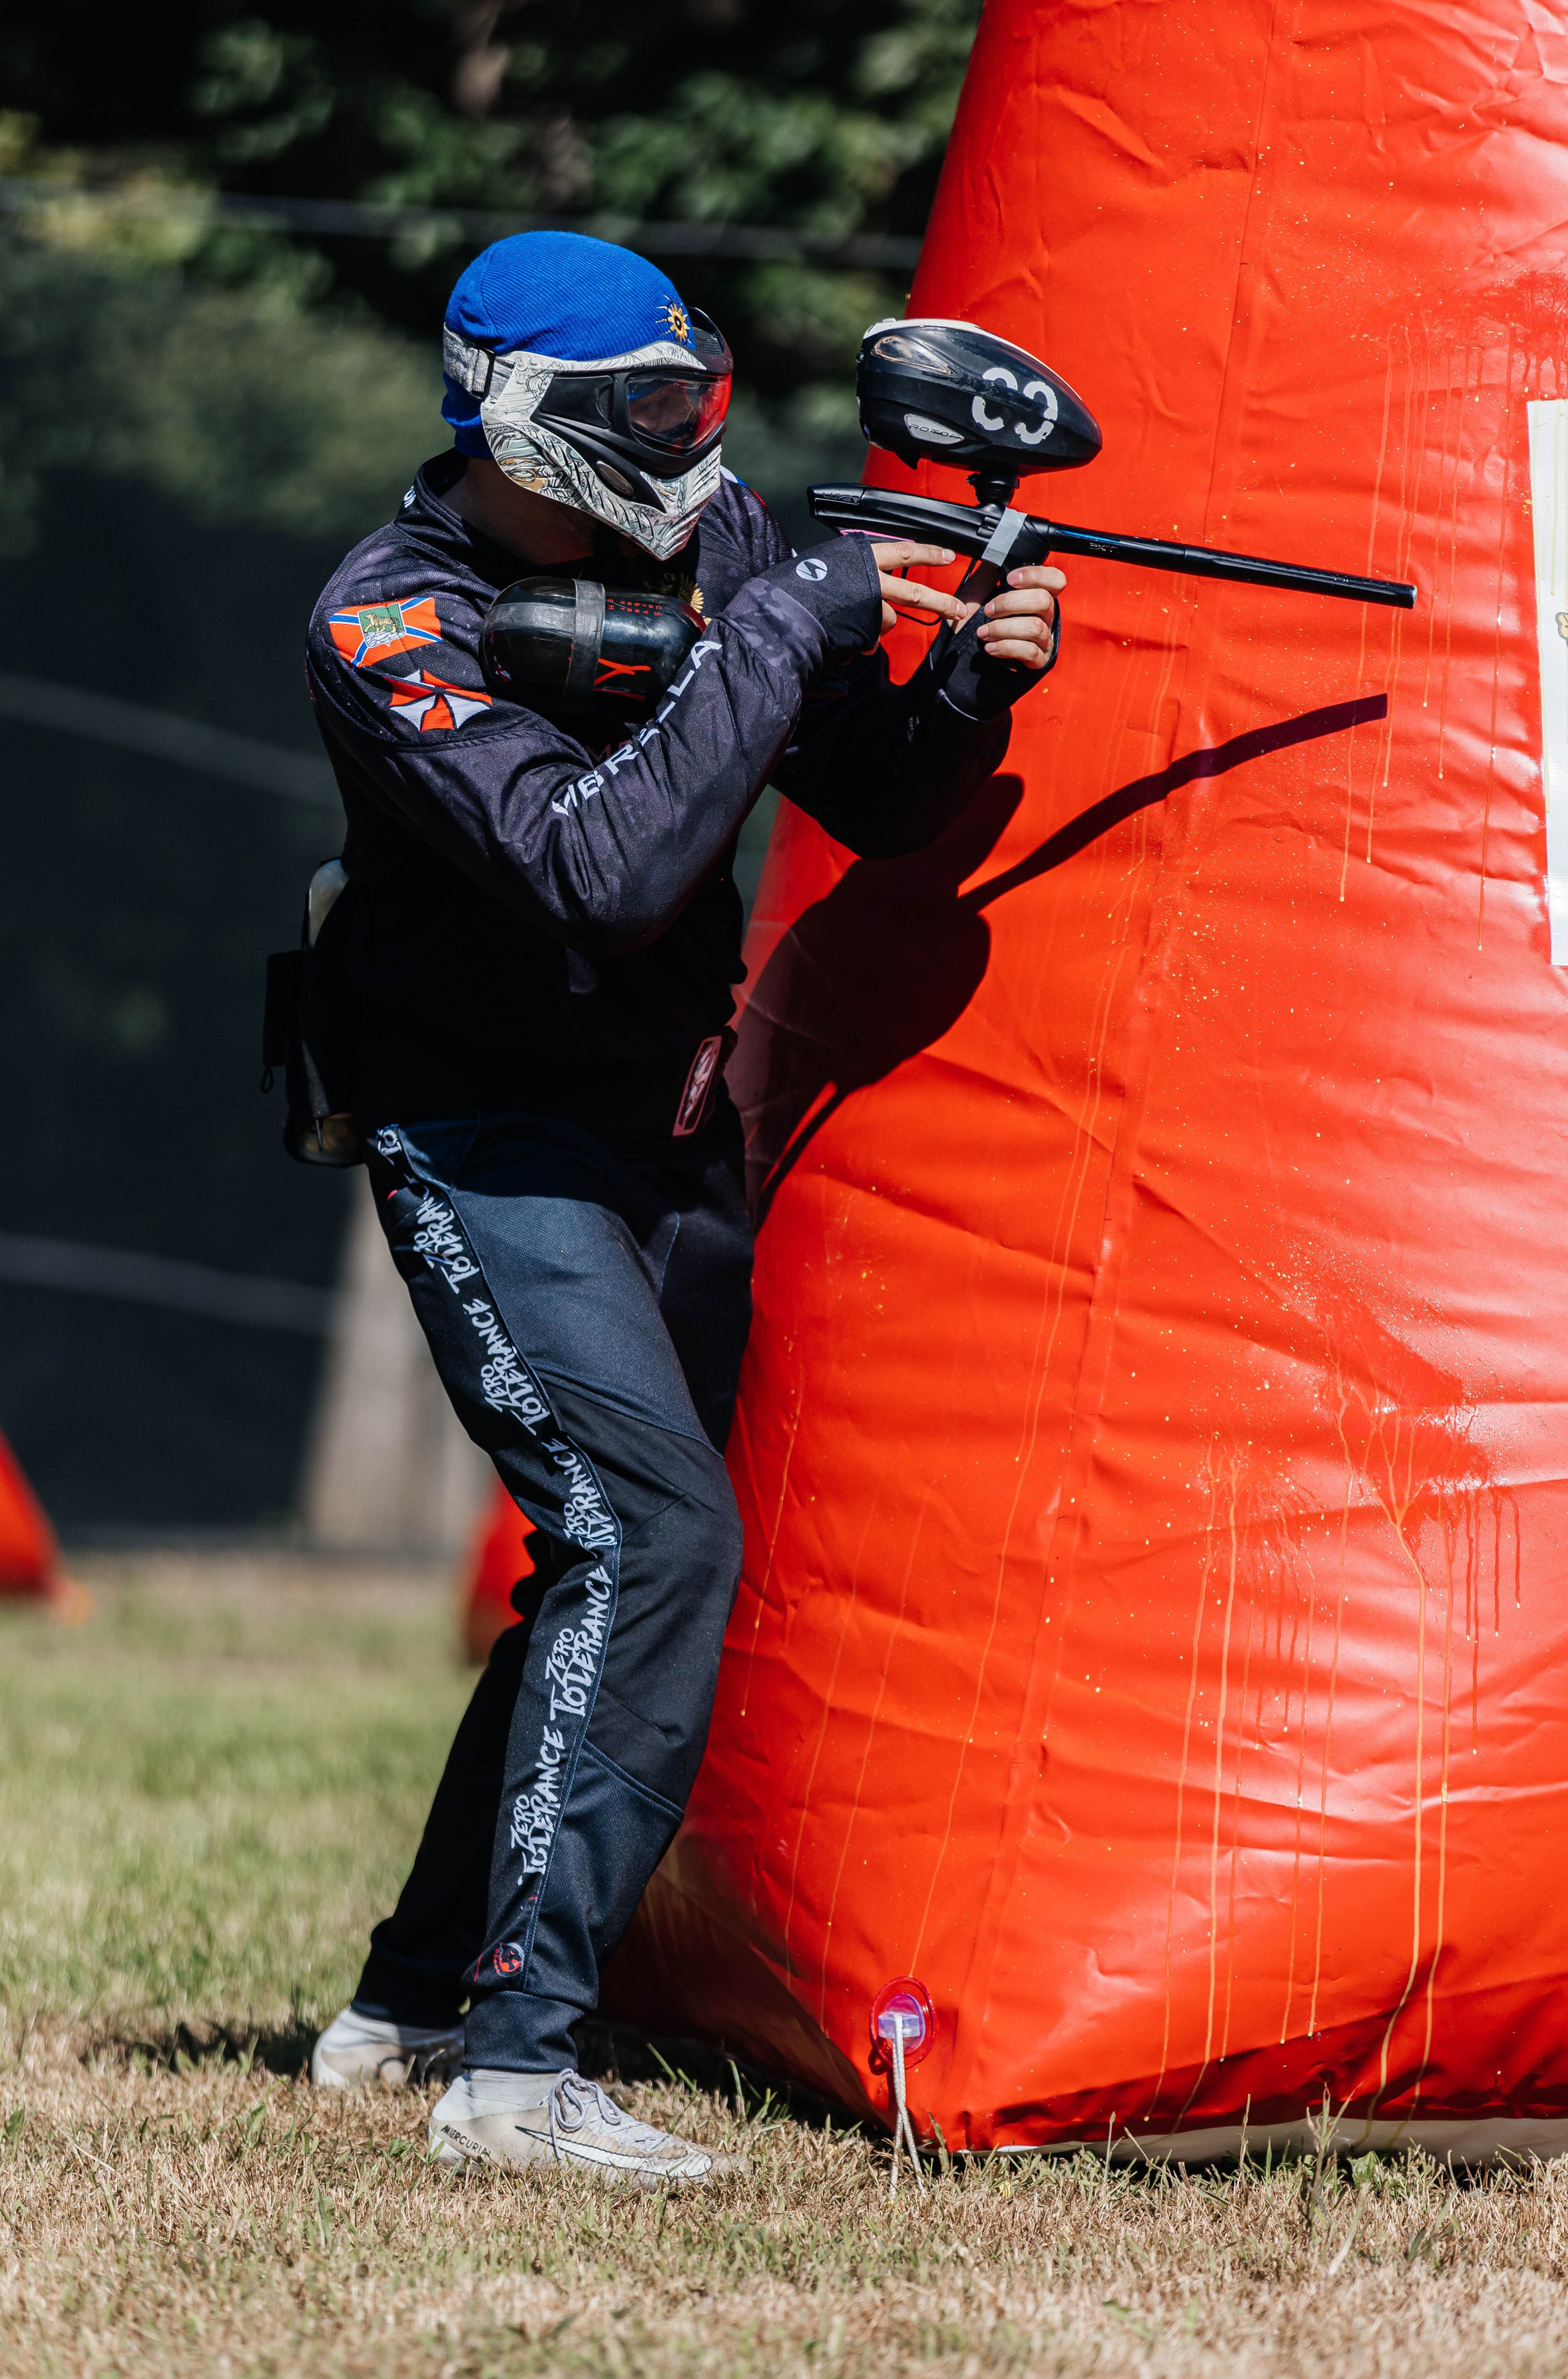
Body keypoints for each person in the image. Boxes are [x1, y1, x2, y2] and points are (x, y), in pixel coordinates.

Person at [303, 230, 1064, 2182]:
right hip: (484, 1140)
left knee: (607, 1558)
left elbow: (872, 792)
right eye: (646, 413)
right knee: (648, 1533)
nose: (689, 443)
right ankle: (519, 2065)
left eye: (696, 397)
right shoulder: (391, 621)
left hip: (669, 1131)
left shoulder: (717, 556)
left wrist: (967, 679)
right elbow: (593, 868)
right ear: (529, 425)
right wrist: (779, 632)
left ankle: (408, 1996)